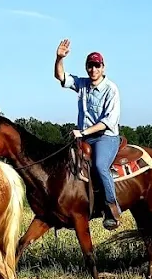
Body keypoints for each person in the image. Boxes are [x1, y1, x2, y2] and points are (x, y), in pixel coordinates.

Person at [53, 40, 124, 230]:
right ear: (86, 67)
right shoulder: (83, 84)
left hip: (105, 136)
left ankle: (112, 208)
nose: (93, 69)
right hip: (83, 137)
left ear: (103, 67)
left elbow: (108, 122)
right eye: (90, 66)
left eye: (97, 66)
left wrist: (82, 132)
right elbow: (61, 76)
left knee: (100, 166)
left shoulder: (111, 89)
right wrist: (59, 58)